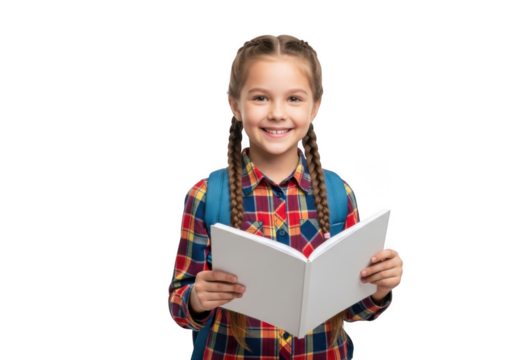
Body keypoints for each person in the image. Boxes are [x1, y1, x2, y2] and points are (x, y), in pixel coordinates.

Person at [168, 34, 404, 359]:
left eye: (294, 98)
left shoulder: (339, 193)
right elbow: (180, 307)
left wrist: (379, 288)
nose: (278, 113)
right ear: (235, 104)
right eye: (261, 98)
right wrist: (196, 298)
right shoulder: (206, 195)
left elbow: (354, 313)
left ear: (315, 107)